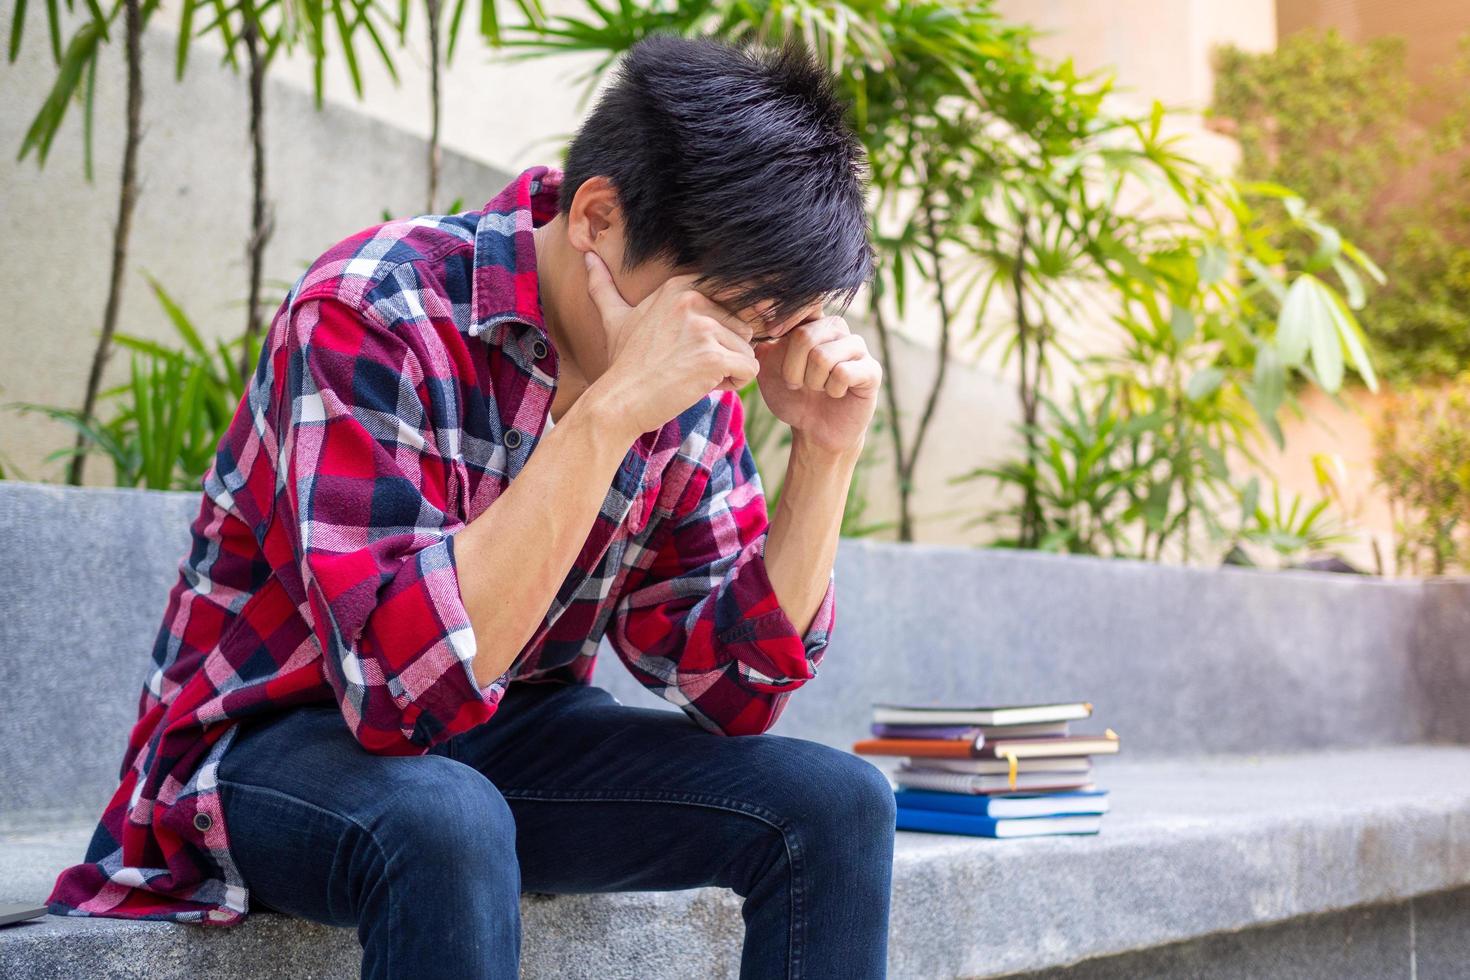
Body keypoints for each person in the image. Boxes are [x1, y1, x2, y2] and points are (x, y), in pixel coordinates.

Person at [47, 31, 896, 979]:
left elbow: (727, 689)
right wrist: (608, 416)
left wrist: (826, 453)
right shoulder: (375, 308)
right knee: (445, 820)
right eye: (734, 318)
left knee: (836, 804)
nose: (744, 361)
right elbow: (397, 693)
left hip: (497, 740)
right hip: (267, 747)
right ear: (598, 218)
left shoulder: (698, 382)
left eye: (776, 328)